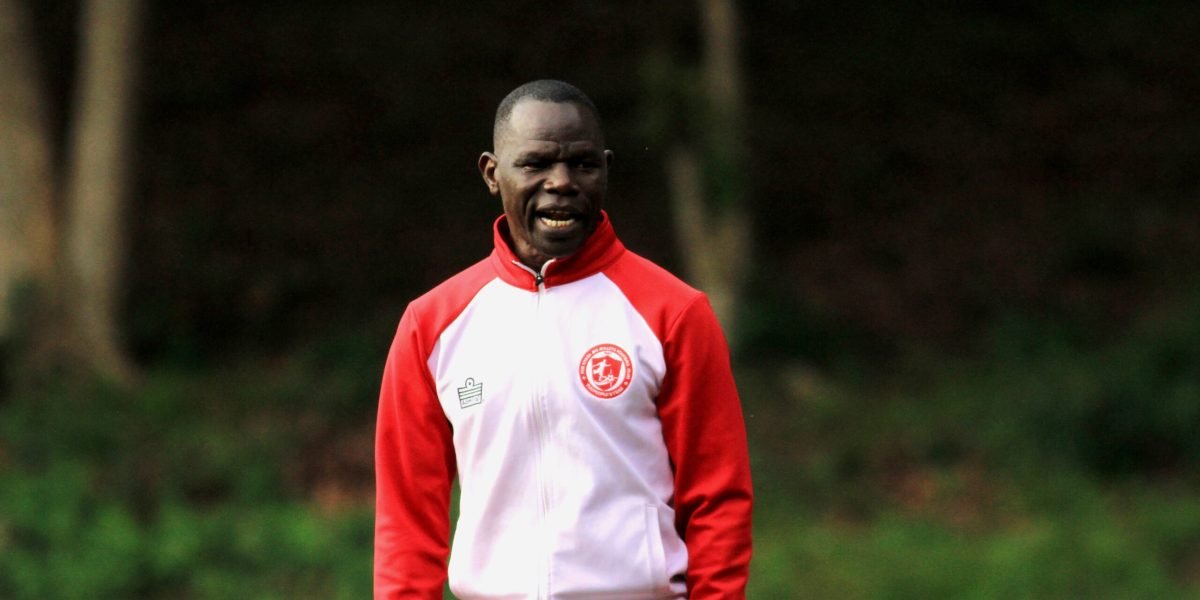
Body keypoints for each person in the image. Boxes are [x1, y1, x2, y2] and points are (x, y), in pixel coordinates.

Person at [374, 79, 753, 599]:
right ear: (492, 173)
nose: (562, 182)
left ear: (606, 168)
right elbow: (407, 516)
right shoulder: (432, 324)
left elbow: (717, 499)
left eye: (582, 163)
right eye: (535, 164)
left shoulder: (674, 313)